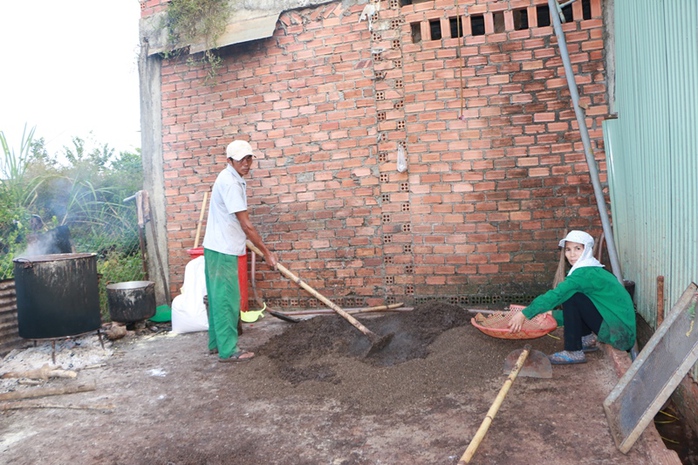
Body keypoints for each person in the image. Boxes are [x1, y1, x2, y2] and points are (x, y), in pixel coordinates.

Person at [507, 230, 636, 365]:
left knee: (570, 296)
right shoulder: (593, 268)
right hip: (620, 330)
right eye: (568, 249)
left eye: (577, 248)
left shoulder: (583, 274)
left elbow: (556, 295)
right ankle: (586, 338)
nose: (572, 254)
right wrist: (552, 314)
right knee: (575, 295)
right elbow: (582, 310)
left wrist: (524, 314)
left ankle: (573, 351)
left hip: (619, 335)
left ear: (587, 250)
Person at [202, 139, 277, 363]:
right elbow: (246, 225)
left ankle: (216, 343)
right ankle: (229, 351)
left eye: (249, 158)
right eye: (241, 159)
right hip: (223, 249)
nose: (246, 163)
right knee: (227, 300)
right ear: (229, 161)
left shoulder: (229, 177)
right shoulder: (231, 183)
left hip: (216, 247)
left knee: (218, 298)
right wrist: (266, 252)